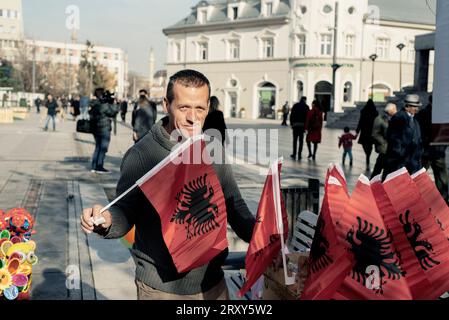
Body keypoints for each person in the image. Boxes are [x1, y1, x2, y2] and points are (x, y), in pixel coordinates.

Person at [80, 69, 256, 300]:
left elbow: (234, 205)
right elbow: (125, 211)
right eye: (183, 108)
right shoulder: (142, 154)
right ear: (166, 104)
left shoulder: (212, 148)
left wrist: (262, 233)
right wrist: (106, 220)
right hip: (161, 289)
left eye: (200, 109)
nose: (193, 117)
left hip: (212, 283)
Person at [416, 95, 449, 204]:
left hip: (429, 150)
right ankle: (443, 199)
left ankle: (418, 198)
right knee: (440, 176)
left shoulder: (422, 114)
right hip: (436, 150)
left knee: (421, 175)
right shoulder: (442, 115)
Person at [382, 94, 423, 181]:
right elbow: (393, 138)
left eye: (417, 107)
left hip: (412, 161)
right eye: (414, 107)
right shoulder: (398, 118)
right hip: (400, 161)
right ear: (407, 107)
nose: (417, 109)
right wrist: (400, 153)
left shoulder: (415, 120)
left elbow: (417, 138)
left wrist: (418, 154)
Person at [89, 88, 119, 174]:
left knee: (97, 147)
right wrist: (116, 105)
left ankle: (94, 166)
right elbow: (113, 112)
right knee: (103, 148)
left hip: (96, 129)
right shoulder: (103, 105)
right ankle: (99, 166)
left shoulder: (95, 104)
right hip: (104, 128)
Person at [371, 103, 397, 179]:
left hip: (391, 148)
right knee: (378, 168)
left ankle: (381, 183)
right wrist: (383, 143)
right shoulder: (379, 119)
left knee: (385, 168)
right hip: (384, 148)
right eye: (394, 109)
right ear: (390, 110)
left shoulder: (393, 118)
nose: (396, 111)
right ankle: (372, 184)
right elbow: (375, 134)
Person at [356, 99, 379, 171]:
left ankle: (367, 156)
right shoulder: (375, 112)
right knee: (370, 145)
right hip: (371, 132)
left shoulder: (364, 112)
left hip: (365, 132)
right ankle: (368, 155)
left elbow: (360, 121)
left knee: (365, 144)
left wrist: (357, 130)